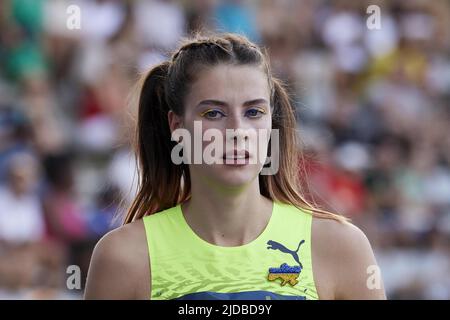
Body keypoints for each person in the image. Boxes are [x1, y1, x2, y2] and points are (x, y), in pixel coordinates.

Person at [84, 33, 386, 300]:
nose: (237, 130)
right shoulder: (124, 258)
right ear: (176, 125)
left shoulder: (340, 247)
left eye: (253, 111)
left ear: (271, 122)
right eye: (214, 113)